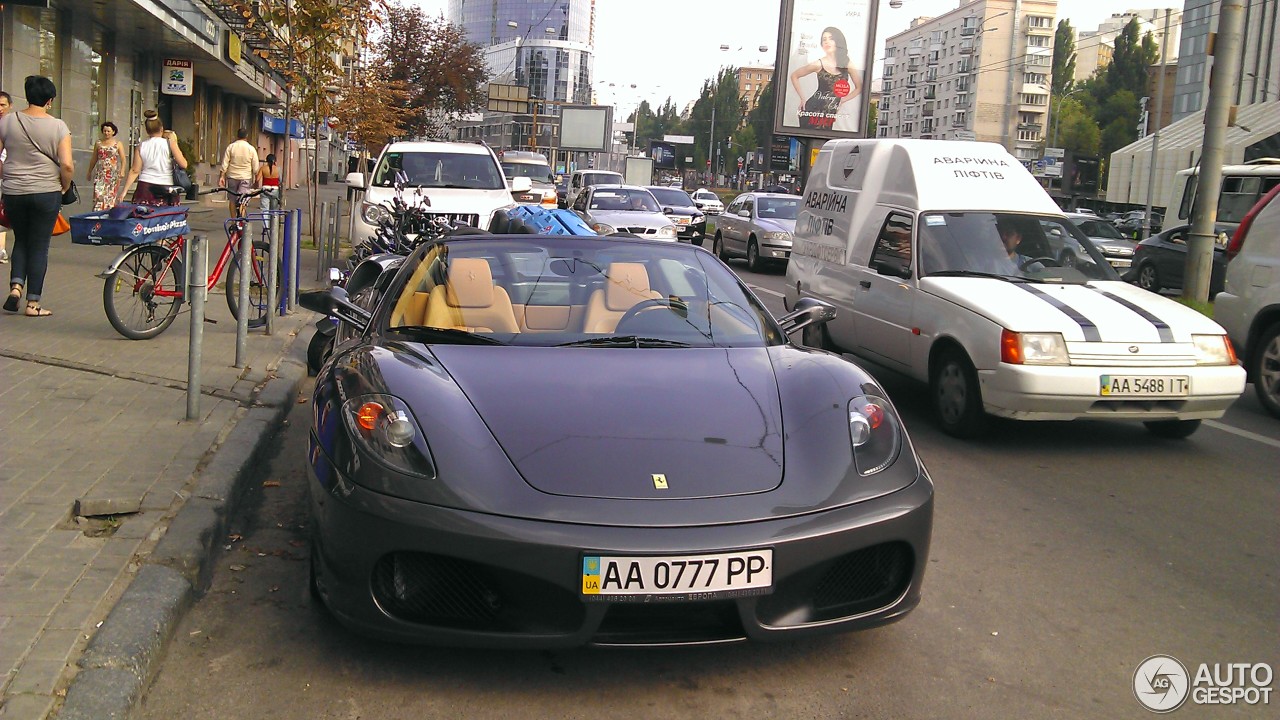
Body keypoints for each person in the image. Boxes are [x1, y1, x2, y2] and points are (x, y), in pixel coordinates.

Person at [0, 75, 74, 317]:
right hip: (46, 191)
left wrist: (7, 176)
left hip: (13, 191)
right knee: (40, 246)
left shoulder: (8, 121)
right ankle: (33, 304)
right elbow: (67, 165)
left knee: (21, 239)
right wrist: (64, 187)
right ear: (50, 100)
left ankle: (15, 289)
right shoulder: (58, 126)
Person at [789, 27, 862, 131]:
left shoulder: (847, 64)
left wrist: (842, 100)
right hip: (812, 110)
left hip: (829, 114)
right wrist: (802, 98)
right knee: (811, 142)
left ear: (838, 41)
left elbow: (859, 87)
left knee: (824, 141)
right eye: (824, 39)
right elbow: (794, 75)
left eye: (830, 38)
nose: (827, 42)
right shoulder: (819, 64)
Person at [120, 110, 187, 207]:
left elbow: (135, 170)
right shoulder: (170, 143)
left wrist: (124, 191)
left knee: (143, 218)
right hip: (166, 185)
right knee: (165, 219)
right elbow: (183, 164)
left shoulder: (141, 146)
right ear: (161, 128)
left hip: (145, 186)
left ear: (147, 130)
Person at [219, 127, 258, 217]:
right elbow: (255, 167)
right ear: (247, 136)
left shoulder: (231, 147)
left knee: (232, 200)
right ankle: (241, 219)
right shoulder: (251, 149)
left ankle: (233, 221)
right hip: (245, 178)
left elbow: (225, 162)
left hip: (232, 177)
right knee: (243, 199)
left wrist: (222, 176)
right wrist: (256, 179)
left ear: (237, 135)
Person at [86, 121, 125, 211]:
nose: (106, 133)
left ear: (113, 132)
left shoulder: (118, 144)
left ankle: (109, 211)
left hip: (112, 173)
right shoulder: (98, 143)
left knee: (110, 194)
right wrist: (89, 171)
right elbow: (94, 158)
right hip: (100, 173)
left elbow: (123, 158)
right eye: (105, 131)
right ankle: (98, 212)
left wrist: (122, 170)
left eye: (108, 131)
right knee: (99, 193)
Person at [0, 90, 11, 264]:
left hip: (7, 172)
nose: (0, 108)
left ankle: (1, 248)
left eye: (3, 105)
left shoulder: (12, 125)